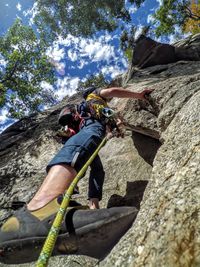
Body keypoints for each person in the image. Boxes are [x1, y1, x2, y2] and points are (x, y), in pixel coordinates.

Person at [0, 86, 153, 243]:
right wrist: (139, 95)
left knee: (97, 169)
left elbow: (109, 123)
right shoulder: (94, 97)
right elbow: (112, 91)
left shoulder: (98, 110)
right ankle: (41, 206)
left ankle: (93, 207)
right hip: (91, 127)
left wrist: (114, 126)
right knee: (82, 142)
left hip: (93, 130)